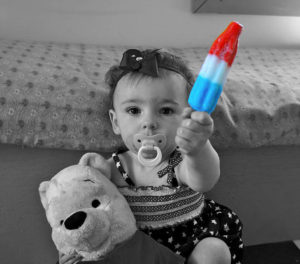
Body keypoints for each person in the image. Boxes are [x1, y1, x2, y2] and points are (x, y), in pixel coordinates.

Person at [59, 49, 243, 264]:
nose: (149, 122)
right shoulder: (111, 169)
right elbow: (84, 204)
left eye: (165, 111)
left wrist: (198, 148)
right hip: (135, 250)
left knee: (214, 251)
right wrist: (75, 247)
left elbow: (204, 180)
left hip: (190, 242)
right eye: (134, 111)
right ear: (116, 122)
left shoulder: (179, 161)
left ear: (186, 117)